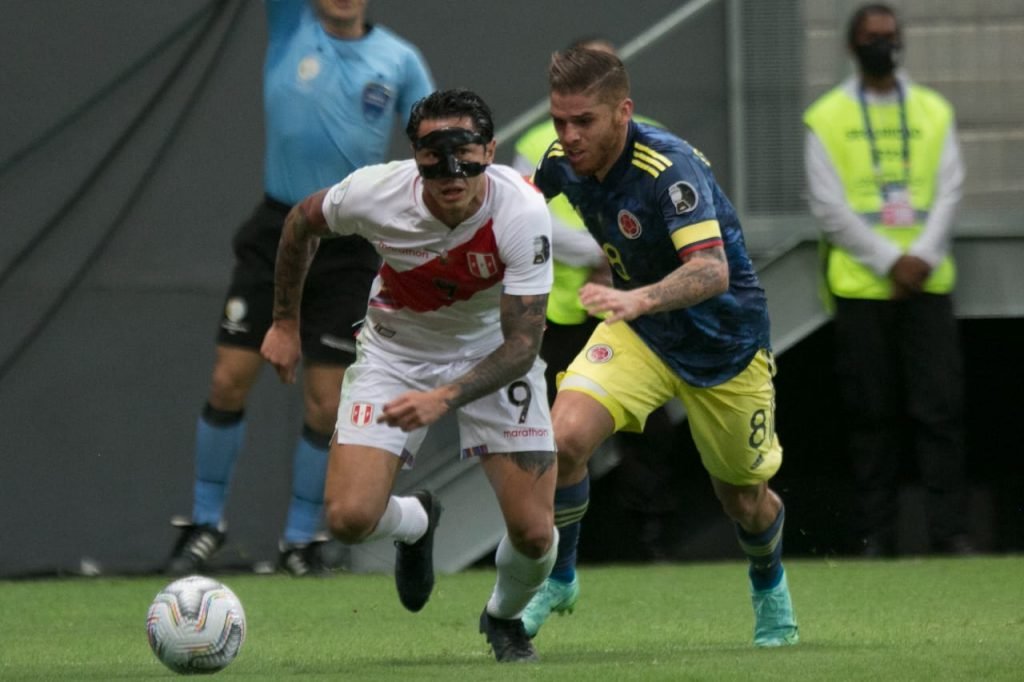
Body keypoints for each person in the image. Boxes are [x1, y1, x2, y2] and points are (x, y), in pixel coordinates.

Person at [260, 88, 559, 663]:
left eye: (465, 153)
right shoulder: (375, 192)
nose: (451, 172)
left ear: (491, 151)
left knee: (534, 534)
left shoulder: (521, 210)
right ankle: (417, 522)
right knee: (347, 521)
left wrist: (444, 397)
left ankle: (503, 617)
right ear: (414, 155)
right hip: (397, 352)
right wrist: (282, 322)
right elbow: (300, 223)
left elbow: (524, 344)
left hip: (494, 353)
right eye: (433, 154)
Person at [523, 47, 799, 648]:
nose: (568, 137)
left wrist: (639, 298)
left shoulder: (667, 171)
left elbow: (711, 271)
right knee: (562, 437)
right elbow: (512, 211)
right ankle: (562, 576)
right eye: (559, 121)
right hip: (641, 335)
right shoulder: (559, 160)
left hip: (723, 345)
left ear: (623, 112)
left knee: (742, 499)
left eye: (584, 122)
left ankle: (769, 583)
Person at [164, 0, 434, 577]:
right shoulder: (290, 28)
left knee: (326, 401)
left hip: (346, 241)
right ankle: (205, 524)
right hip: (275, 232)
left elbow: (430, 147)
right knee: (227, 379)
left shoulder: (400, 59)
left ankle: (300, 541)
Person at [803, 3, 972, 557]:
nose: (885, 46)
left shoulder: (933, 110)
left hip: (928, 286)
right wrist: (888, 260)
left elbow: (949, 191)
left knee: (940, 411)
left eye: (891, 37)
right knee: (870, 417)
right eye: (873, 37)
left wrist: (918, 257)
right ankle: (877, 538)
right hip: (861, 288)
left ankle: (950, 533)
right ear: (853, 46)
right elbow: (828, 206)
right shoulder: (827, 116)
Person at [512, 37, 681, 560]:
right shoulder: (542, 142)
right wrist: (596, 248)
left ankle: (648, 539)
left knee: (650, 429)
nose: (572, 133)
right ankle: (553, 549)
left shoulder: (653, 143)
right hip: (564, 311)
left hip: (635, 310)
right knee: (554, 430)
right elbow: (524, 217)